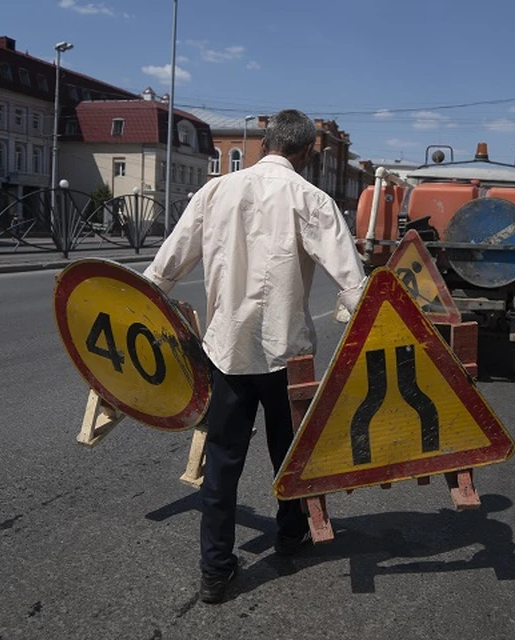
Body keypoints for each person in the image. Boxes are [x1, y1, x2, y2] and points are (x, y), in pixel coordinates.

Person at [142, 109, 366, 605]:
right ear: (308, 153)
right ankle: (290, 534)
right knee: (289, 452)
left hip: (227, 352)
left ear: (266, 142)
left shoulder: (214, 191)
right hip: (289, 355)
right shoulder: (312, 199)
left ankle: (215, 571)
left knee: (222, 462)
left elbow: (163, 270)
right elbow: (352, 284)